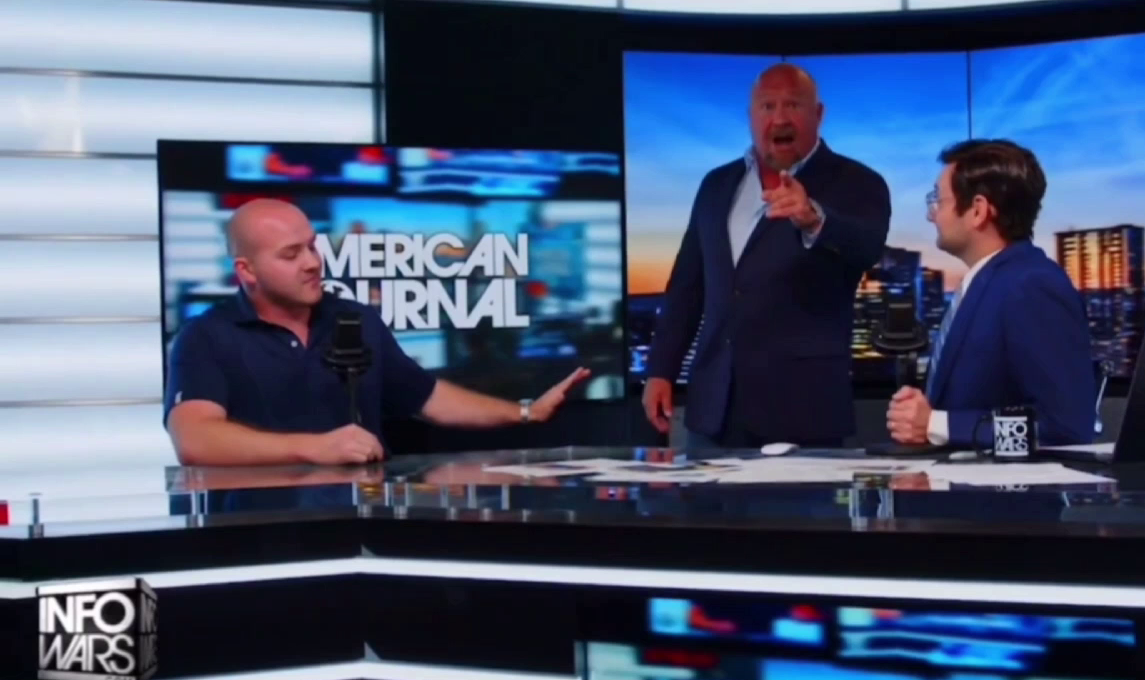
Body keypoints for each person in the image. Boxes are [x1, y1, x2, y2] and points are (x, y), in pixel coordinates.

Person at [164, 198, 589, 466]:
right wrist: (313, 448)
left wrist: (526, 412)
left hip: (362, 523)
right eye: (291, 254)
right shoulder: (205, 336)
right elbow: (195, 439)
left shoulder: (355, 318)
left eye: (312, 246)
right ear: (247, 271)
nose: (312, 262)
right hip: (263, 532)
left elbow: (429, 398)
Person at [642, 62, 891, 448]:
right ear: (750, 116)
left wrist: (815, 219)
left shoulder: (857, 182)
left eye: (792, 105)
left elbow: (867, 247)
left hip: (802, 413)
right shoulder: (716, 185)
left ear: (818, 114)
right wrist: (661, 370)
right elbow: (687, 287)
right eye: (767, 106)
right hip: (713, 411)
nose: (779, 118)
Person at [886, 139, 1095, 449]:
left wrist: (937, 425)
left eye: (938, 200)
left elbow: (1065, 427)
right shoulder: (986, 283)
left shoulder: (1032, 285)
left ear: (978, 211)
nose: (932, 216)